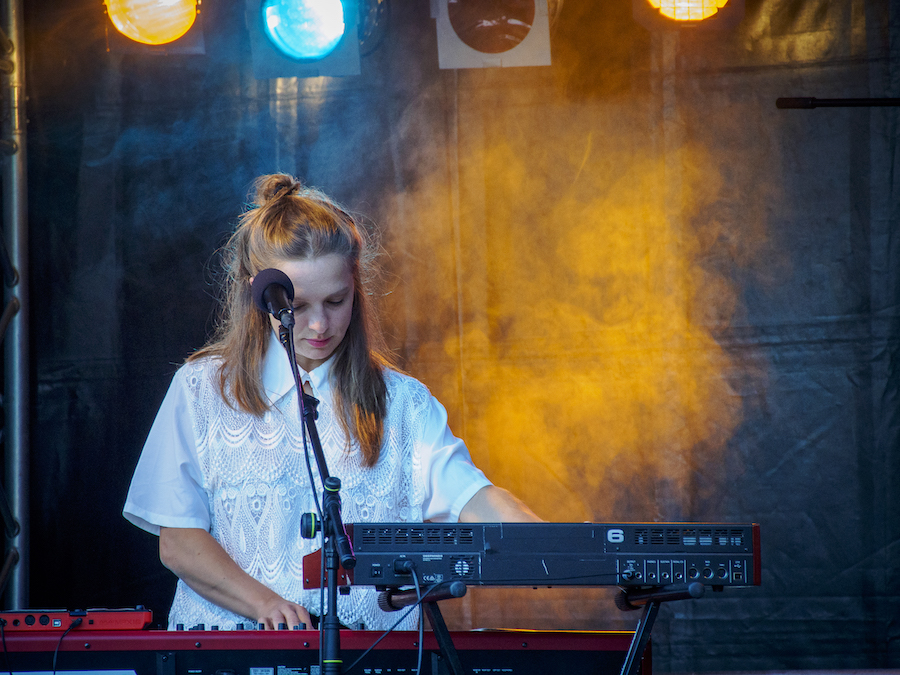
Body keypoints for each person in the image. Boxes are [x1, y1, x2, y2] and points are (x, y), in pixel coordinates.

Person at [123, 174, 539, 633]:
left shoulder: (404, 403)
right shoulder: (202, 389)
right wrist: (266, 605)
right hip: (234, 651)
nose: (320, 324)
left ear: (355, 287)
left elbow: (471, 499)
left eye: (336, 301)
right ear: (258, 294)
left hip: (373, 655)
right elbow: (178, 540)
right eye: (298, 307)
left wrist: (563, 545)